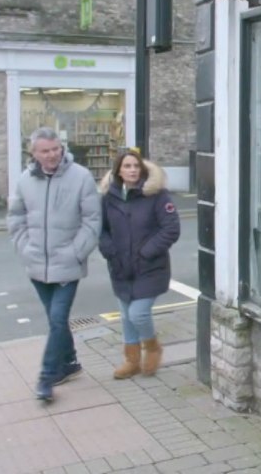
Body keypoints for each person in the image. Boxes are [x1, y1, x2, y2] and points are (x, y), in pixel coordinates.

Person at [7, 127, 101, 401]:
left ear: (62, 148)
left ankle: (46, 377)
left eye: (55, 149)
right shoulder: (25, 180)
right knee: (55, 321)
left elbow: (92, 221)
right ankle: (69, 362)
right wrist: (25, 248)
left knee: (58, 319)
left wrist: (75, 252)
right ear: (34, 153)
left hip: (67, 264)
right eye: (45, 151)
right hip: (36, 264)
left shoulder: (81, 177)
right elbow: (16, 217)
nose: (52, 155)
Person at [98, 148, 180, 379]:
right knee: (125, 314)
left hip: (150, 267)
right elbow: (101, 229)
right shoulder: (108, 198)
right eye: (127, 166)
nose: (132, 170)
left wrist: (147, 252)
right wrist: (109, 250)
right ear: (119, 171)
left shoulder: (157, 195)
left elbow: (171, 229)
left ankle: (152, 347)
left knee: (138, 313)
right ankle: (132, 360)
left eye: (136, 166)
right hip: (120, 267)